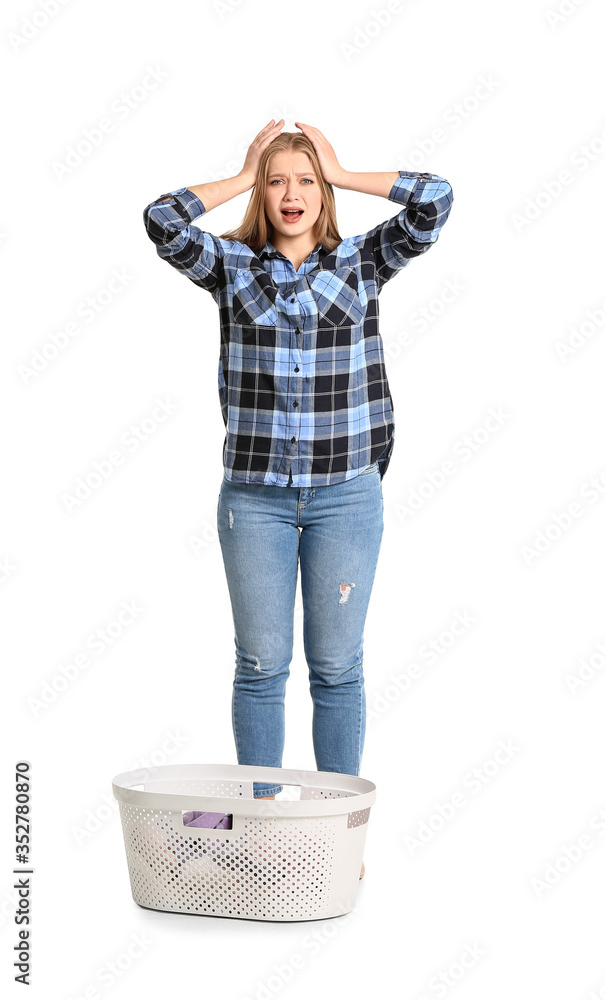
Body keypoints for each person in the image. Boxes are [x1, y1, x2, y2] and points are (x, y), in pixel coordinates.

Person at [143, 119, 454, 880]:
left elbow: (435, 202)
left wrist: (342, 171)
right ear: (261, 191)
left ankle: (338, 839)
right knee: (260, 664)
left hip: (346, 496)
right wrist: (243, 168)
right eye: (278, 181)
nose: (291, 194)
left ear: (322, 195)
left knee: (337, 668)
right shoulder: (228, 267)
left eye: (304, 181)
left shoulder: (361, 261)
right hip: (254, 500)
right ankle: (258, 832)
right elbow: (161, 218)